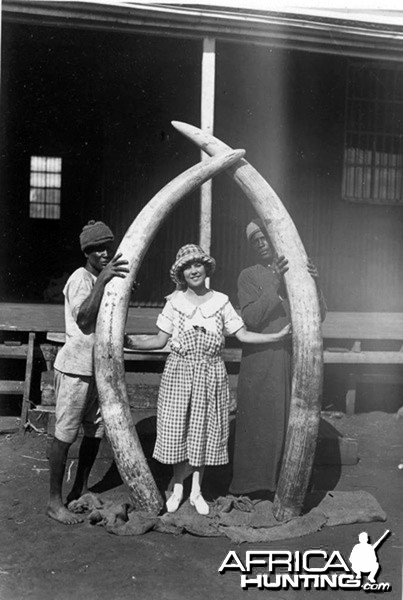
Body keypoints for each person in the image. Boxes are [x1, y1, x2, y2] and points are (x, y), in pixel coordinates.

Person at [125, 244, 291, 516]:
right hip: (179, 372)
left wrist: (275, 337)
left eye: (198, 265)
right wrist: (127, 341)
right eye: (187, 267)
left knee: (203, 430)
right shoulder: (174, 303)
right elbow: (158, 340)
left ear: (206, 268)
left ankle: (196, 491)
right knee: (179, 429)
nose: (193, 270)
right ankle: (178, 487)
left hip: (211, 374)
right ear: (180, 273)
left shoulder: (221, 302)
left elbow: (244, 335)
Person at [229, 218, 326, 498]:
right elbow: (251, 318)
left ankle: (284, 485)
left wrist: (314, 284)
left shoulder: (296, 272)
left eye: (265, 238)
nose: (261, 244)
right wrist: (273, 281)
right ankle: (250, 486)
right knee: (259, 420)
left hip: (292, 357)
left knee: (290, 419)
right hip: (262, 358)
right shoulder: (249, 275)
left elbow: (317, 315)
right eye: (255, 241)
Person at [46, 220, 129, 524]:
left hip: (99, 370)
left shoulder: (102, 278)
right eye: (98, 250)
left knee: (94, 433)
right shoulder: (81, 279)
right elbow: (83, 319)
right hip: (76, 369)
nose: (105, 253)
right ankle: (54, 502)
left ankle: (78, 491)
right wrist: (104, 279)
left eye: (108, 246)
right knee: (65, 434)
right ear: (87, 252)